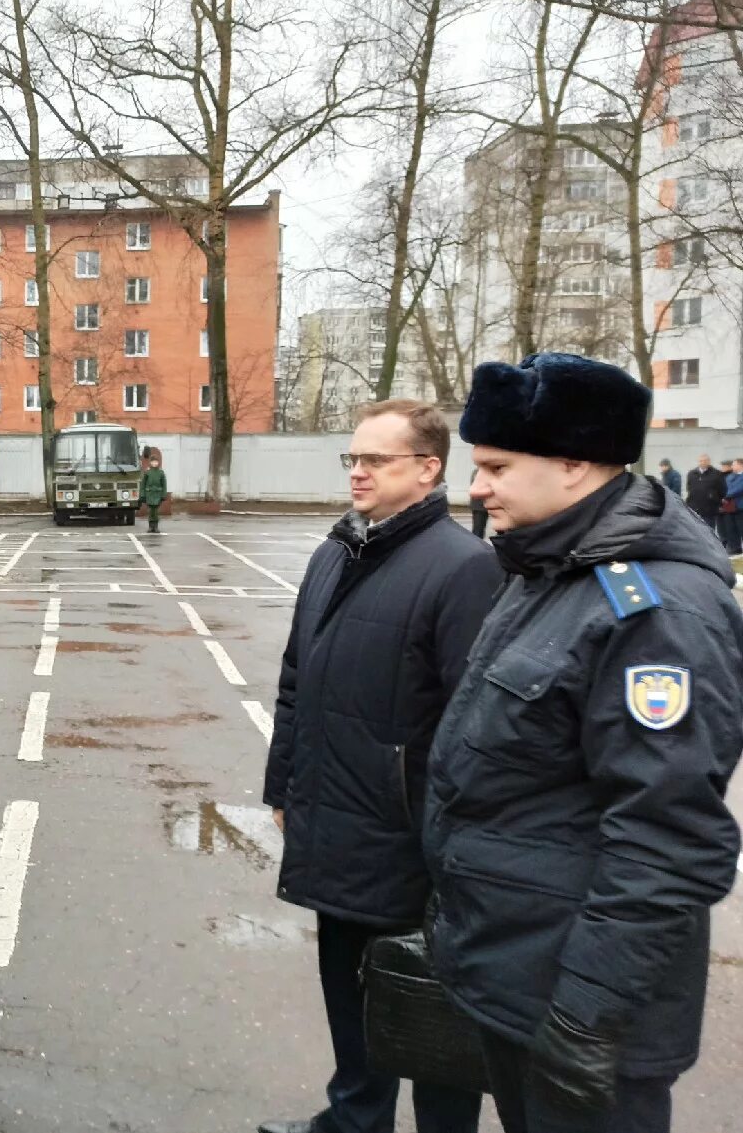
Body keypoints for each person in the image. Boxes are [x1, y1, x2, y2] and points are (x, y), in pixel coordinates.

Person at [426, 353, 743, 1133]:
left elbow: (668, 838)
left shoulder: (656, 609)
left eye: (496, 465)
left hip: (581, 1012)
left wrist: (585, 1016)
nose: (477, 487)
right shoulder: (549, 570)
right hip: (519, 977)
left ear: (575, 464)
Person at [260, 399, 498, 1133]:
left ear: (428, 469)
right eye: (352, 458)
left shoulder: (464, 569)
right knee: (350, 1001)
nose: (357, 471)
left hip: (413, 846)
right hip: (336, 823)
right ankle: (353, 1122)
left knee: (428, 1018)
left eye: (375, 460)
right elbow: (297, 675)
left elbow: (475, 728)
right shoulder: (336, 551)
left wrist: (451, 844)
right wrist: (282, 785)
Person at [684, 453, 724, 531]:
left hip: (709, 508)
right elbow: (689, 488)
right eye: (700, 461)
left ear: (709, 462)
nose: (702, 463)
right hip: (694, 507)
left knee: (709, 530)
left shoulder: (716, 473)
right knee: (695, 531)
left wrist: (716, 500)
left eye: (705, 461)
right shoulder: (692, 474)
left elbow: (722, 490)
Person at [721, 458, 743, 555]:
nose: (732, 467)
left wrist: (727, 495)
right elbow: (725, 487)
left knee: (741, 527)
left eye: (734, 465)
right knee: (730, 528)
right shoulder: (729, 476)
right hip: (729, 506)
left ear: (740, 465)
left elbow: (739, 488)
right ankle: (735, 548)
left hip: (740, 506)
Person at [141, 453, 168, 532]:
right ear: (150, 462)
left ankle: (155, 526)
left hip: (157, 495)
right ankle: (150, 526)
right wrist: (142, 495)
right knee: (150, 511)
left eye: (156, 461)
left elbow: (164, 484)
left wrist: (163, 494)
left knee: (156, 511)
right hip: (149, 494)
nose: (154, 463)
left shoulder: (161, 473)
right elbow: (143, 484)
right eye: (153, 462)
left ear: (158, 462)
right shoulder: (147, 472)